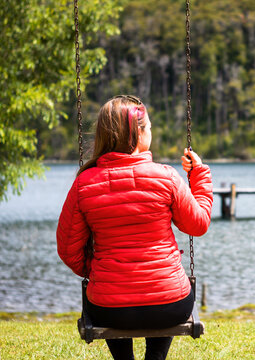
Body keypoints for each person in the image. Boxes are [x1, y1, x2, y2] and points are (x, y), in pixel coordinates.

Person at [56, 95, 213, 360]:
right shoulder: (166, 177)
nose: (151, 131)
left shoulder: (84, 183)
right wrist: (198, 175)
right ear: (138, 134)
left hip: (109, 307)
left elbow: (67, 250)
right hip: (169, 304)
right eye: (148, 127)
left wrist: (98, 272)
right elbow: (198, 224)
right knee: (166, 296)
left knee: (113, 303)